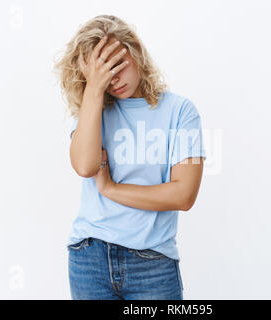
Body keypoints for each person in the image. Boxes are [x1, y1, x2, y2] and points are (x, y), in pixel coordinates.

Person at [54, 14, 207, 300]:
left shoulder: (181, 111)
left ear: (134, 50)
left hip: (153, 263)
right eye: (101, 73)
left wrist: (111, 189)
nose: (113, 80)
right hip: (89, 257)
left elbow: (184, 195)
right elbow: (86, 166)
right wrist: (94, 91)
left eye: (116, 66)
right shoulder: (93, 110)